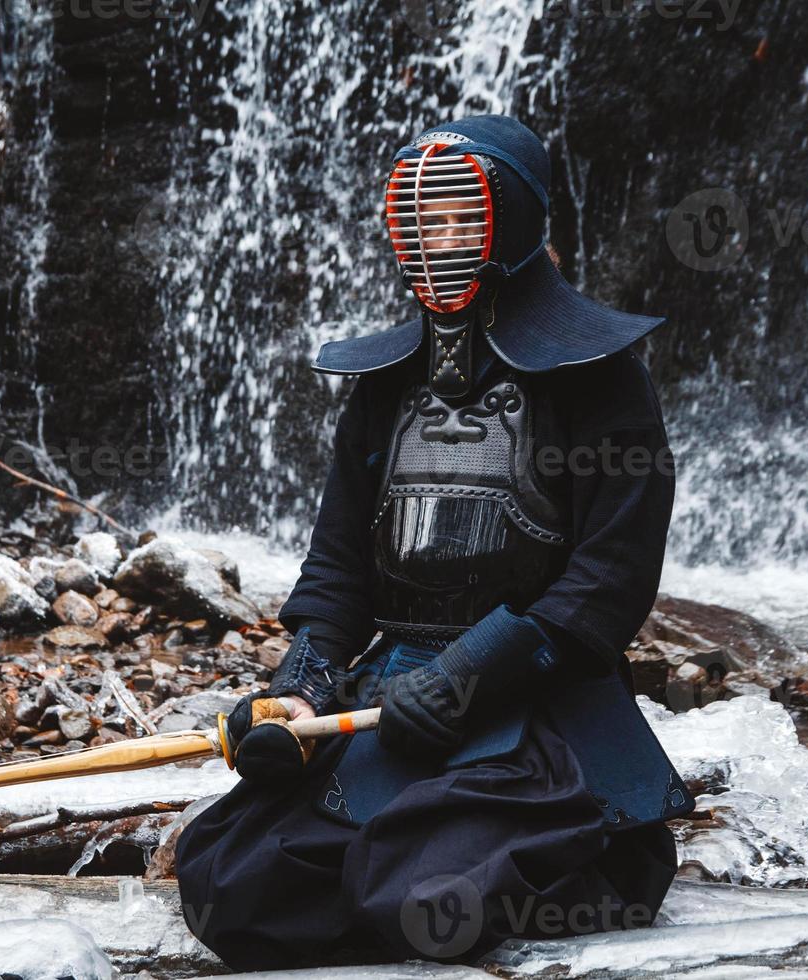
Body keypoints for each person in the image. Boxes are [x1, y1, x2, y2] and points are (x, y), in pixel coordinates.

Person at [173, 114, 694, 971]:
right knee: (231, 887)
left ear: (515, 220)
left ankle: (607, 854)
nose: (439, 240)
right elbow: (340, 567)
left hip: (539, 704)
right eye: (424, 222)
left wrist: (472, 675)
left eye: (461, 217)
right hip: (393, 686)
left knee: (419, 896)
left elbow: (611, 577)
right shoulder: (383, 388)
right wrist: (298, 694)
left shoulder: (601, 377)